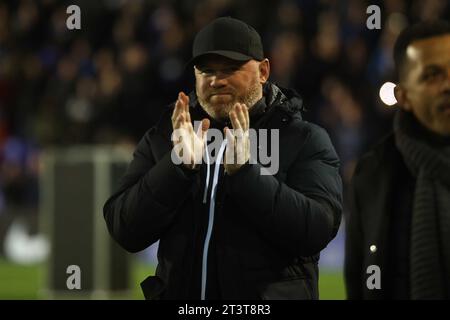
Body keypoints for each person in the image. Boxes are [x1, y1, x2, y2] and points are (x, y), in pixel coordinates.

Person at [103, 17, 343, 300]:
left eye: (231, 69)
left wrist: (246, 175)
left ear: (263, 71)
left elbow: (316, 230)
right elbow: (125, 230)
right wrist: (177, 167)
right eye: (206, 70)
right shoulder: (168, 135)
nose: (216, 80)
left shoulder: (301, 138)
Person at [345, 20, 450, 300]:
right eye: (432, 75)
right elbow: (360, 282)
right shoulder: (374, 173)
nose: (448, 85)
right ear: (403, 96)